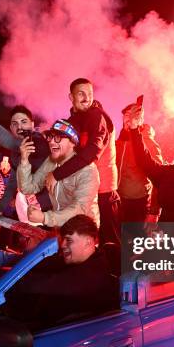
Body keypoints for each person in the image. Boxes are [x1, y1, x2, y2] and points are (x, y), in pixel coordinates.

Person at [0, 215, 119, 331]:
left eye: (68, 240)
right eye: (63, 239)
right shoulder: (75, 262)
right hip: (44, 325)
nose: (63, 244)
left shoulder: (92, 275)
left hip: (60, 340)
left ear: (88, 242)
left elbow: (45, 283)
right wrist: (3, 271)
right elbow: (37, 265)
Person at [45, 78, 120, 246]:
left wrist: (57, 174)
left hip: (103, 192)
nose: (87, 98)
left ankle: (118, 272)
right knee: (85, 243)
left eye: (90, 94)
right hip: (82, 191)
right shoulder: (74, 120)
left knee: (108, 243)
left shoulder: (97, 117)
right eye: (81, 94)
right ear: (71, 97)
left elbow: (92, 152)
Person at [0, 97, 52, 213]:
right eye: (15, 124)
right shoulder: (16, 153)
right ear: (11, 128)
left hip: (55, 211)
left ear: (32, 125)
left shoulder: (39, 142)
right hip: (37, 213)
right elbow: (12, 184)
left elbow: (10, 142)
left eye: (24, 122)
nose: (20, 127)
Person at [18, 119, 100, 227]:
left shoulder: (87, 170)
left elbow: (80, 209)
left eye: (58, 138)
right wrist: (24, 160)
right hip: (60, 229)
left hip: (83, 232)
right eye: (50, 137)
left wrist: (45, 217)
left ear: (73, 142)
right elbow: (28, 188)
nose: (51, 142)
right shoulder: (51, 162)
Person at [116, 101, 163, 222]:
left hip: (139, 203)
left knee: (137, 238)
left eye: (133, 116)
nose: (129, 119)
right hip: (118, 199)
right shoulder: (118, 143)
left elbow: (159, 179)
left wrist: (154, 210)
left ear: (140, 119)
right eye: (126, 115)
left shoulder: (148, 142)